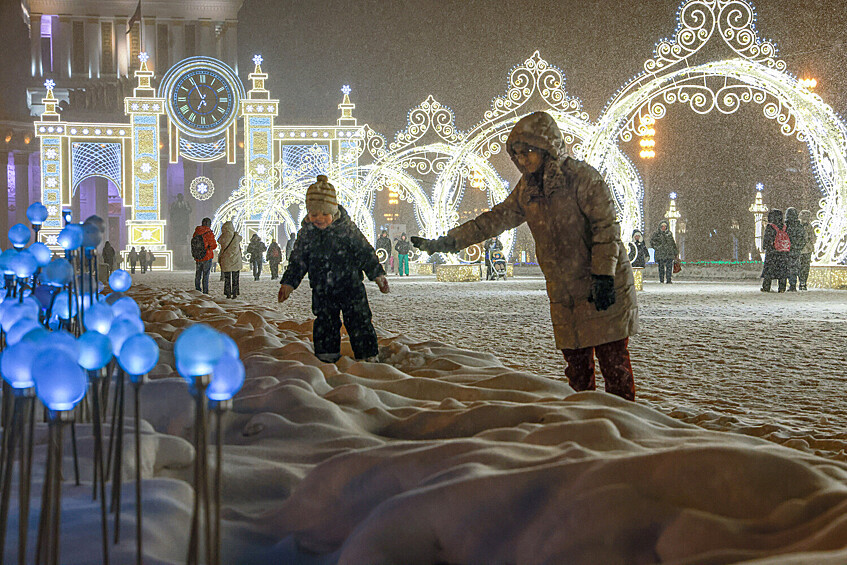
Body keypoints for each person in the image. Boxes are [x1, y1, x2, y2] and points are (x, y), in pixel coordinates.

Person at [411, 111, 638, 401]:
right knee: (577, 371)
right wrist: (447, 242)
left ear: (547, 148)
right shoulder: (527, 190)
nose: (521, 160)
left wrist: (603, 274)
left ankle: (627, 430)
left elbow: (606, 229)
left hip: (601, 285)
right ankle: (587, 427)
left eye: (527, 152)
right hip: (565, 292)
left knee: (614, 366)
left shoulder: (582, 179)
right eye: (516, 154)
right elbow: (493, 221)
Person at [279, 175, 390, 363]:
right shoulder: (307, 234)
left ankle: (368, 354)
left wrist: (377, 274)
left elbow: (365, 252)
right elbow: (298, 260)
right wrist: (288, 284)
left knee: (359, 320)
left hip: (351, 286)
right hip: (322, 288)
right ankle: (326, 355)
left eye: (324, 214)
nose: (319, 219)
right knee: (325, 322)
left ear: (334, 210)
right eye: (314, 215)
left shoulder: (347, 229)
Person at [761, 209, 788, 292]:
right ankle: (782, 287)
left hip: (772, 252)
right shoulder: (784, 227)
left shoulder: (770, 226)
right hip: (782, 251)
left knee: (769, 270)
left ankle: (766, 287)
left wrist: (765, 246)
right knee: (782, 270)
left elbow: (766, 239)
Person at [218, 220, 243, 299]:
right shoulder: (236, 237)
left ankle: (228, 292)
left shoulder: (223, 237)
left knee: (227, 278)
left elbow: (219, 241)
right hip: (235, 260)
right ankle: (235, 292)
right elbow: (240, 238)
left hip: (226, 260)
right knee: (235, 278)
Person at [192, 217, 217, 294]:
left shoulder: (196, 232)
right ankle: (205, 290)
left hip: (198, 256)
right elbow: (213, 245)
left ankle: (197, 289)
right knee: (206, 274)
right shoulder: (209, 233)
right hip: (207, 256)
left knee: (198, 273)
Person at [784, 207, 806, 292]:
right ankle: (793, 284)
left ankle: (786, 284)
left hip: (786, 249)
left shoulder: (785, 226)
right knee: (794, 267)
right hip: (796, 249)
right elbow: (803, 238)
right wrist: (799, 247)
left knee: (787, 267)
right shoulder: (799, 226)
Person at [798, 209, 816, 290]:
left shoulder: (798, 226)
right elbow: (813, 239)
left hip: (800, 249)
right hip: (807, 249)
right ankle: (803, 282)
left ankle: (802, 282)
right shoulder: (809, 226)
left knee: (801, 266)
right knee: (805, 267)